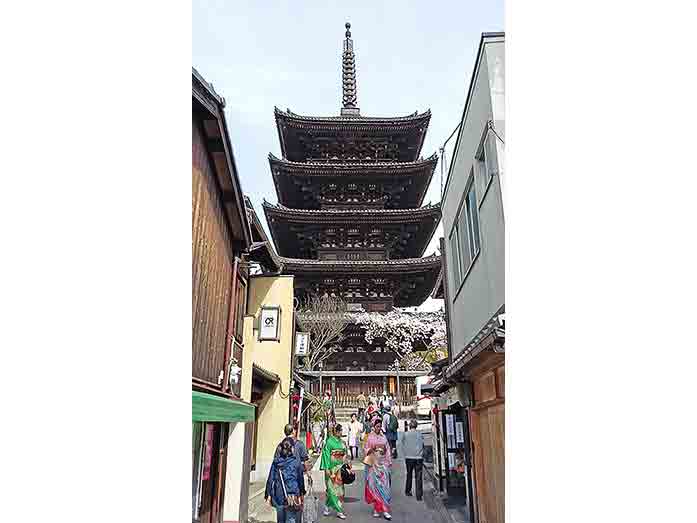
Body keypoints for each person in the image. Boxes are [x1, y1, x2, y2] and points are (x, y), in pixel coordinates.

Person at [265, 438, 306, 523]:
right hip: (292, 495)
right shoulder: (296, 462)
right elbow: (300, 479)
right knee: (291, 519)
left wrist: (268, 495)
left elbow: (270, 479)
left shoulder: (276, 462)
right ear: (291, 448)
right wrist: (302, 494)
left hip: (279, 495)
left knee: (280, 519)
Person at [363, 418, 393, 520]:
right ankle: (376, 508)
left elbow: (387, 450)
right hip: (373, 465)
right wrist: (372, 448)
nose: (379, 428)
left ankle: (385, 509)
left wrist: (389, 462)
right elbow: (366, 449)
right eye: (377, 426)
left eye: (380, 426)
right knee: (375, 488)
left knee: (385, 487)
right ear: (373, 427)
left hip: (383, 465)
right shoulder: (370, 437)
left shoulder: (383, 437)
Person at [320, 424, 348, 519]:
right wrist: (326, 468)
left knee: (339, 490)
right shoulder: (329, 442)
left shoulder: (342, 442)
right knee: (331, 489)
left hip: (339, 469)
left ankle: (328, 506)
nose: (341, 432)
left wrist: (347, 464)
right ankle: (339, 510)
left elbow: (345, 454)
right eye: (340, 431)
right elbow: (325, 455)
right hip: (331, 469)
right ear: (335, 432)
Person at [398, 420, 425, 501]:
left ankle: (408, 490)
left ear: (409, 426)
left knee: (409, 474)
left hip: (409, 457)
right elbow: (422, 444)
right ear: (416, 426)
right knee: (418, 476)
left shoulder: (405, 434)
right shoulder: (420, 434)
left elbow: (401, 444)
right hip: (418, 458)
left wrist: (405, 452)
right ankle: (419, 495)